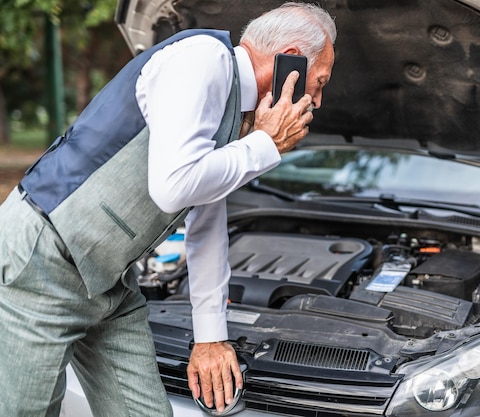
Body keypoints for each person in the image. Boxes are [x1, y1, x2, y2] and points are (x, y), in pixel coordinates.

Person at [0, 2, 336, 416]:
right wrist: (264, 144)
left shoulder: (239, 110)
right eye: (318, 83)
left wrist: (210, 335)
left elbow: (206, 217)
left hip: (108, 282)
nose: (317, 101)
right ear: (291, 61)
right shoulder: (202, 59)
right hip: (42, 264)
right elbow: (173, 187)